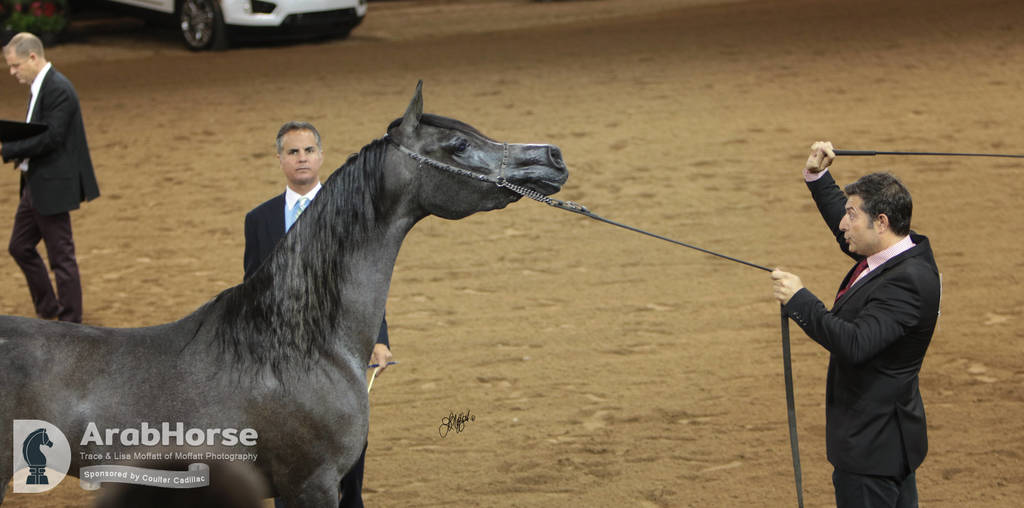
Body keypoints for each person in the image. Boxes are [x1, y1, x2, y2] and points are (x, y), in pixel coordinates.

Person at [771, 141, 940, 507]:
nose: (843, 224)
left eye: (852, 214)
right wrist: (818, 177)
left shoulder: (908, 282)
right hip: (887, 441)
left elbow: (855, 343)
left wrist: (800, 300)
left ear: (881, 223)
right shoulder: (894, 251)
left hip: (872, 451)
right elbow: (845, 230)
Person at [243, 121, 391, 508]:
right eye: (293, 152)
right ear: (280, 160)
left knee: (346, 435)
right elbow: (251, 290)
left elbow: (367, 285)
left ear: (321, 157)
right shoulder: (259, 221)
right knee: (287, 443)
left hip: (341, 347)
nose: (302, 158)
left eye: (308, 150)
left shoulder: (354, 215)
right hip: (284, 354)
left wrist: (379, 338)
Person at [1, 32, 100, 323]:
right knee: (19, 247)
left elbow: (51, 138)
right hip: (37, 183)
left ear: (33, 57)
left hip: (52, 185)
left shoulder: (58, 89)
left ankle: (71, 324)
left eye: (16, 65)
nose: (12, 72)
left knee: (62, 259)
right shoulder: (40, 86)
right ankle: (49, 310)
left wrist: (8, 148)